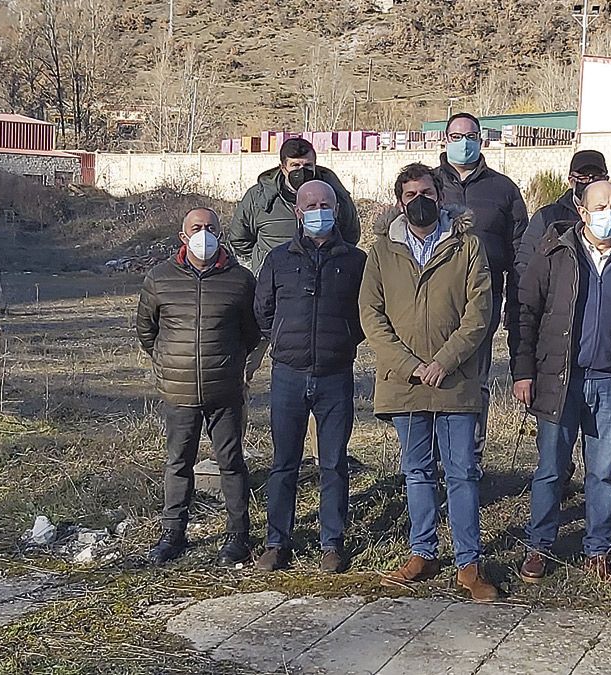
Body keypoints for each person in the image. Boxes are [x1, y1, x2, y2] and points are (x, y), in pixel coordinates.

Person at [359, 162, 499, 602]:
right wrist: (409, 364)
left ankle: (468, 563)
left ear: (440, 196)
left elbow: (480, 313)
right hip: (404, 381)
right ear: (399, 202)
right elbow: (371, 315)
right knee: (417, 472)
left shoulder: (468, 245)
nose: (419, 202)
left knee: (462, 472)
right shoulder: (382, 250)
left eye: (427, 193)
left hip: (455, 380)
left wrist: (444, 360)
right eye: (410, 196)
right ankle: (422, 552)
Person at [513, 180, 611, 585]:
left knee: (603, 473)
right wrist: (523, 371)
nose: (608, 213)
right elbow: (525, 313)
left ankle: (598, 550)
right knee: (550, 469)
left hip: (609, 383)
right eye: (600, 206)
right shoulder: (554, 253)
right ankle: (539, 546)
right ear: (581, 210)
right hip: (559, 380)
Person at [135, 207, 261, 566]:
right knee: (178, 463)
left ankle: (238, 536)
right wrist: (167, 363)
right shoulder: (160, 279)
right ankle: (172, 534)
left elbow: (251, 332)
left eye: (210, 228)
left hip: (225, 391)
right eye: (196, 228)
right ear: (183, 236)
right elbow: (147, 330)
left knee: (232, 463)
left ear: (220, 235)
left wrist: (232, 364)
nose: (203, 234)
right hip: (178, 392)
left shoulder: (240, 280)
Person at [253, 180, 366, 574]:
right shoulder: (279, 259)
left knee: (333, 463)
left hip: (336, 375)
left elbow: (366, 314)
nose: (318, 210)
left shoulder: (355, 261)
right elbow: (263, 310)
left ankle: (331, 543)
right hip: (288, 373)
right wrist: (284, 341)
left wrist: (345, 340)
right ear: (298, 212)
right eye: (310, 204)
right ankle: (275, 542)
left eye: (326, 203)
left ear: (336, 209)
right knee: (284, 462)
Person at [433, 112, 528, 462]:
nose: (464, 142)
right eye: (456, 136)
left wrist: (516, 302)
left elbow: (520, 249)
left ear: (482, 140)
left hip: (484, 300)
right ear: (445, 140)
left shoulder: (504, 189)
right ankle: (432, 462)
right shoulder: (430, 185)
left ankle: (469, 459)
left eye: (471, 135)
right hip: (434, 301)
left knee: (475, 380)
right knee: (433, 377)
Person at [227, 137, 361, 271]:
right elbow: (239, 238)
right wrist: (262, 263)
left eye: (308, 165)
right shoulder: (258, 198)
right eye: (295, 165)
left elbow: (350, 235)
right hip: (274, 280)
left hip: (323, 277)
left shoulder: (336, 195)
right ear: (283, 168)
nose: (301, 171)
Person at [513, 150, 611, 276]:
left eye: (597, 177)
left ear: (606, 179)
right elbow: (524, 265)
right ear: (571, 180)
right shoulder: (547, 217)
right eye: (583, 177)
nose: (590, 181)